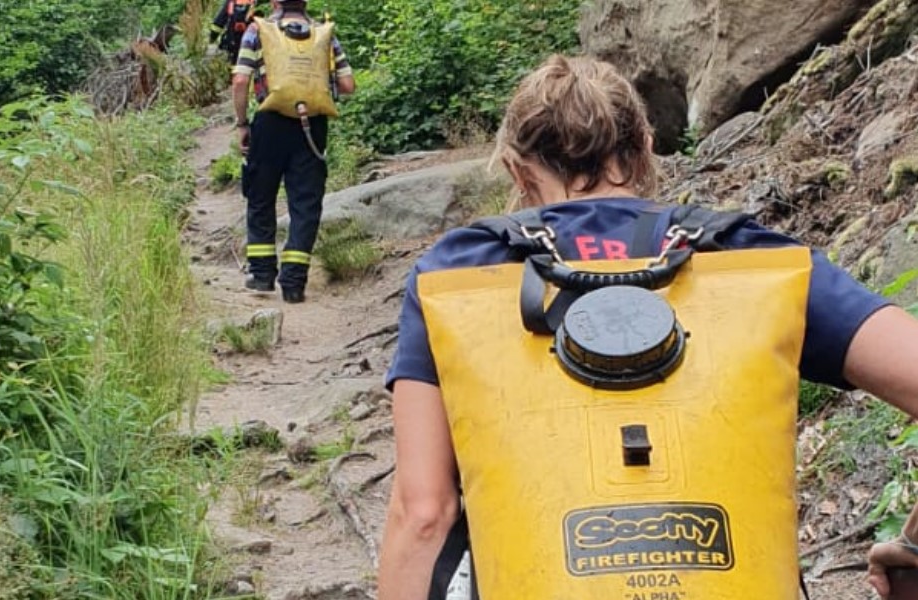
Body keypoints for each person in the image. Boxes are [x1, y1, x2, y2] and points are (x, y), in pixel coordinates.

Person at [377, 54, 918, 599]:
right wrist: (915, 547)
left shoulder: (458, 272)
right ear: (645, 150)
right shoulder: (745, 257)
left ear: (518, 172)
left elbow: (423, 514)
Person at [231, 0, 355, 303]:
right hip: (311, 126)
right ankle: (294, 283)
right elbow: (347, 84)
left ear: (275, 3)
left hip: (270, 122)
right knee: (305, 204)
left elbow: (240, 80)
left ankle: (262, 275)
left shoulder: (258, 30)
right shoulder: (323, 33)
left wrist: (242, 123)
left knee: (260, 197)